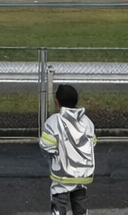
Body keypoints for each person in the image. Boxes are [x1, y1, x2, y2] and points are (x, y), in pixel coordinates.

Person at [40, 83, 97, 215]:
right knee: (80, 198)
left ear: (56, 101)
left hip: (62, 174)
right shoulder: (87, 122)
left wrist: (53, 158)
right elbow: (92, 143)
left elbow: (46, 146)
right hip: (82, 174)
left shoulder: (53, 122)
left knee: (59, 200)